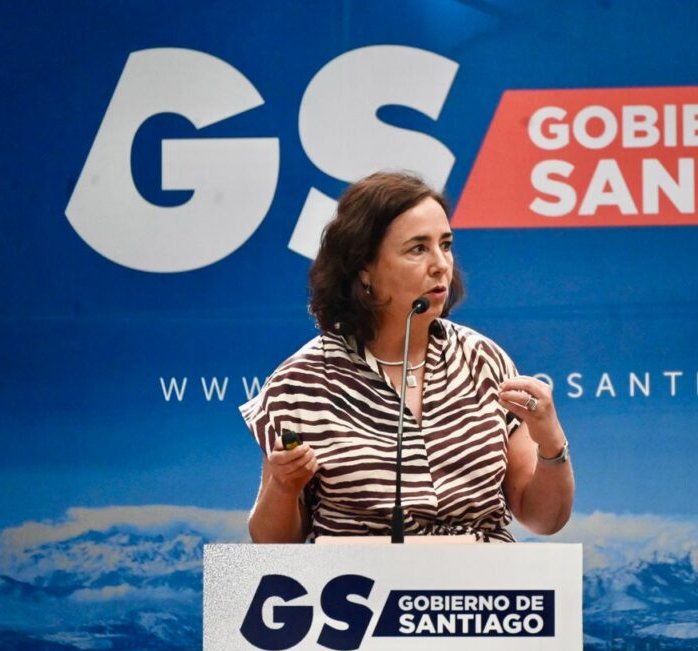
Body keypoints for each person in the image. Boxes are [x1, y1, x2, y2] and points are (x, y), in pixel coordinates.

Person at [242, 169, 574, 550]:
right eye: (418, 249)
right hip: (356, 584)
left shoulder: (484, 361)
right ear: (364, 268)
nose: (441, 264)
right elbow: (272, 545)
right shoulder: (302, 383)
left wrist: (551, 441)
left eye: (445, 245)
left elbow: (544, 519)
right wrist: (284, 488)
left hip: (484, 583)